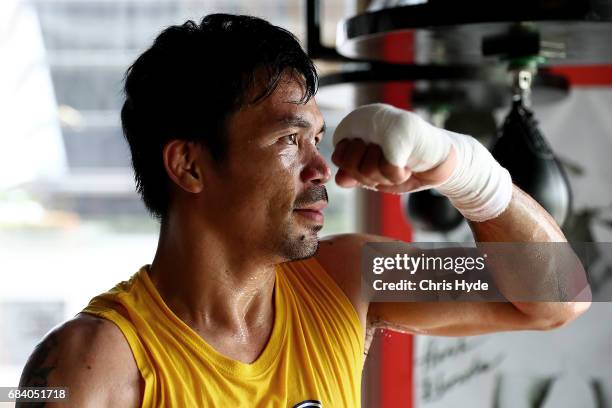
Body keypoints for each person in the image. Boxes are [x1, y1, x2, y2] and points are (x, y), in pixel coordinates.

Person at [17, 14, 590, 407]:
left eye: (318, 138)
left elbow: (558, 300)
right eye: (290, 141)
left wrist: (461, 170)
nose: (320, 168)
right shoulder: (92, 364)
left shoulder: (345, 279)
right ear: (189, 166)